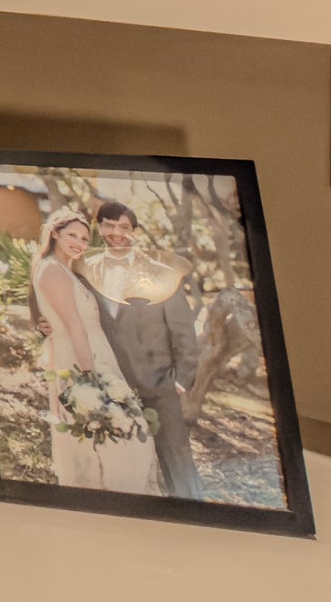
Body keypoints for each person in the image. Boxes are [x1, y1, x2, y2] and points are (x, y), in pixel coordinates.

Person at [81, 198, 207, 497]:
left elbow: (183, 331)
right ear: (99, 228)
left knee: (177, 459)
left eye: (124, 227)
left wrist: (180, 380)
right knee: (120, 461)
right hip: (109, 382)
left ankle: (194, 511)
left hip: (159, 385)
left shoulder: (159, 273)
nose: (116, 233)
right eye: (109, 225)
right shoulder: (87, 270)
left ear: (134, 231)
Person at [30, 207, 161, 494]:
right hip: (81, 360)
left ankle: (114, 491)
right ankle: (107, 492)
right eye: (72, 235)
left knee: (122, 432)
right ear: (55, 234)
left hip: (98, 355)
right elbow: (74, 327)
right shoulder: (52, 270)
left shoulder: (68, 270)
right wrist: (90, 379)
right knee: (112, 434)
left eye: (84, 238)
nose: (79, 243)